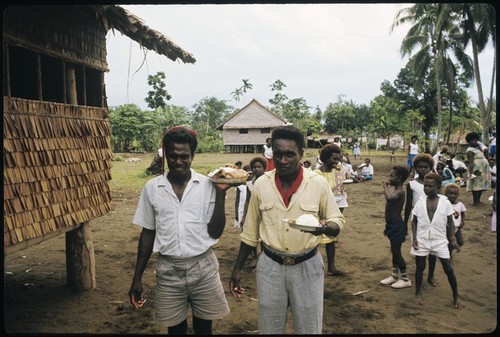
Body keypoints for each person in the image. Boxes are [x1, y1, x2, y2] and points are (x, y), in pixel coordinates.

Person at [229, 125, 345, 334]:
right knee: (269, 327)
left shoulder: (317, 183)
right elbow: (250, 232)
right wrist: (237, 269)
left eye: (290, 155)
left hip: (308, 265)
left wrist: (328, 227)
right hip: (270, 267)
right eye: (278, 154)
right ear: (272, 152)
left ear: (301, 153)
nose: (283, 161)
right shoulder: (261, 184)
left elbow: (337, 219)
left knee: (309, 327)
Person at [128, 126, 231, 335]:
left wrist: (221, 195)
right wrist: (137, 278)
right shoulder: (152, 188)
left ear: (192, 156)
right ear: (166, 155)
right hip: (168, 270)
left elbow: (216, 232)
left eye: (184, 156)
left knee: (204, 328)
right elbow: (148, 233)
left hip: (204, 268)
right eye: (173, 156)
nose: (178, 161)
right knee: (175, 329)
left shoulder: (208, 185)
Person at [410, 172, 462, 308]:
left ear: (439, 186)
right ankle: (417, 292)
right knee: (420, 267)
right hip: (422, 239)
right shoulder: (420, 202)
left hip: (439, 239)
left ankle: (456, 295)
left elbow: (450, 222)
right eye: (425, 186)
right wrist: (414, 239)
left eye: (430, 186)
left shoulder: (445, 202)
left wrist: (452, 237)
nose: (427, 189)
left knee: (448, 268)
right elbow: (414, 221)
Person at [403, 153, 438, 288]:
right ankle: (420, 276)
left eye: (426, 167)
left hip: (433, 220)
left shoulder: (435, 182)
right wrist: (405, 222)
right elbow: (408, 205)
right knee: (420, 250)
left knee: (433, 250)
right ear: (415, 168)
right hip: (417, 221)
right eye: (420, 167)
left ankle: (431, 275)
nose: (423, 169)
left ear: (430, 168)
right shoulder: (411, 185)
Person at [314, 144, 348, 276]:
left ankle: (331, 268)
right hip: (317, 209)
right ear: (325, 158)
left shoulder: (335, 172)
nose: (336, 161)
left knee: (331, 237)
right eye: (334, 159)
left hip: (329, 208)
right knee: (314, 237)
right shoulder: (316, 174)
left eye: (338, 159)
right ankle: (313, 267)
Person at [380, 165, 411, 288]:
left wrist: (384, 187)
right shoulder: (396, 189)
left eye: (391, 176)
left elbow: (389, 198)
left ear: (399, 178)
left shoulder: (399, 192)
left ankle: (405, 278)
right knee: (394, 250)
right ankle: (394, 275)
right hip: (392, 225)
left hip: (397, 226)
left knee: (397, 252)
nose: (389, 178)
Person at [465, 132, 491, 205]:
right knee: (476, 185)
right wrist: (471, 173)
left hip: (482, 169)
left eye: (476, 140)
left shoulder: (479, 148)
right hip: (476, 170)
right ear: (469, 141)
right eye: (472, 140)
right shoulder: (470, 150)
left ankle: (478, 200)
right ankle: (475, 202)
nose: (474, 141)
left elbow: (486, 155)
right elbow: (471, 162)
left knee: (480, 185)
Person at [444, 184, 466, 260]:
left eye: (455, 194)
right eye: (451, 193)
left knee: (460, 241)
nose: (453, 195)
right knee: (449, 241)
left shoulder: (460, 204)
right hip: (448, 227)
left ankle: (451, 248)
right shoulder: (445, 204)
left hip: (457, 227)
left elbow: (463, 214)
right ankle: (448, 255)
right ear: (446, 194)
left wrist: (462, 222)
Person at [234, 164, 251, 228]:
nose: (249, 175)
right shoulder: (240, 186)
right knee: (242, 225)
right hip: (241, 209)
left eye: (251, 173)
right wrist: (236, 213)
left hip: (250, 209)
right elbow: (237, 200)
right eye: (247, 173)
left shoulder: (253, 185)